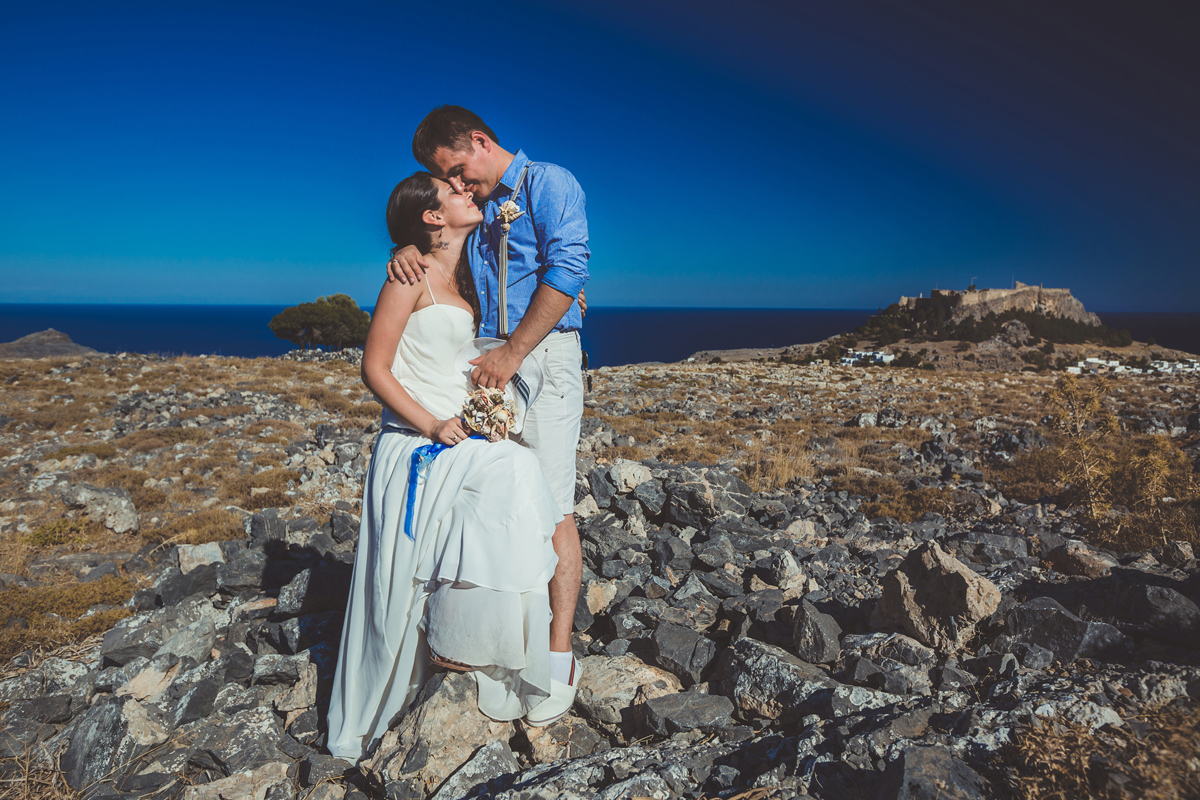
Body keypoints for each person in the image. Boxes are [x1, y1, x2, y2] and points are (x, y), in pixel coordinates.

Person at [326, 172, 564, 761]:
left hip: (460, 433)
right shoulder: (407, 276)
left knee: (517, 471)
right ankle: (462, 649)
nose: (468, 192)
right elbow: (374, 368)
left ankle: (488, 651)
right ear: (432, 217)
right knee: (513, 470)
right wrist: (431, 425)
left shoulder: (467, 275)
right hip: (418, 437)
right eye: (453, 192)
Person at [388, 106, 589, 718]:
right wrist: (405, 246)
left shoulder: (549, 182)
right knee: (496, 498)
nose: (458, 185)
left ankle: (558, 653)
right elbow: (445, 255)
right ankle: (501, 638)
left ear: (480, 141)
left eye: (457, 170)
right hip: (484, 365)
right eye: (448, 181)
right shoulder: (474, 210)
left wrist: (514, 351)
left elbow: (569, 267)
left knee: (552, 503)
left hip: (536, 355)